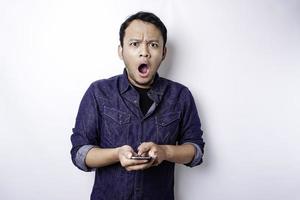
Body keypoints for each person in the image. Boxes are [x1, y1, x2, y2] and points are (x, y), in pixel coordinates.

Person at [70, 11, 205, 200]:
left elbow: (196, 152)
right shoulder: (98, 92)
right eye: (135, 44)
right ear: (121, 51)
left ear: (164, 52)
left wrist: (165, 151)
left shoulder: (181, 95)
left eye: (153, 45)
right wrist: (118, 154)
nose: (145, 52)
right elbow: (80, 153)